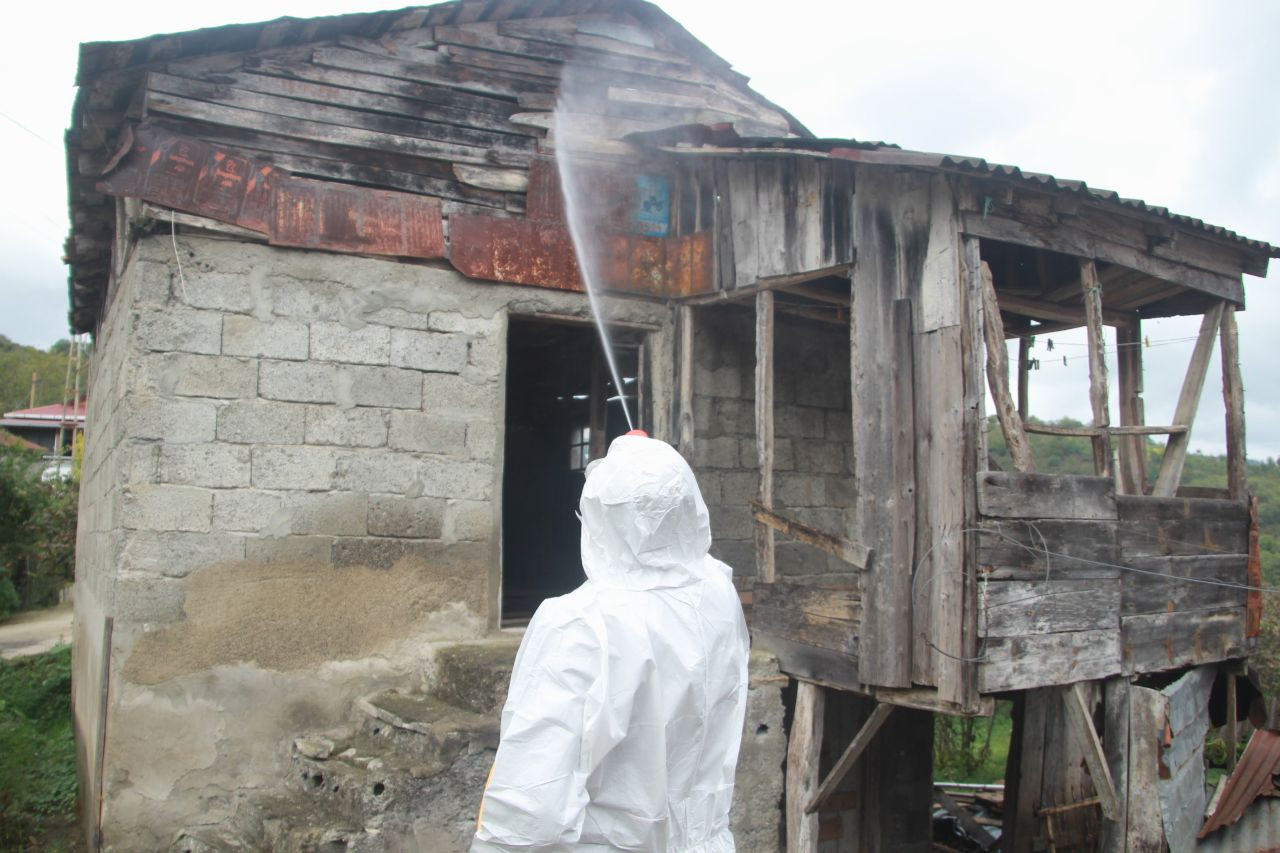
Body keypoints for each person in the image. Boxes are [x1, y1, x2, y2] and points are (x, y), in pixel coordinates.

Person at [472, 434, 750, 852]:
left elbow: (531, 810)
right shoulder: (719, 598)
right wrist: (651, 464)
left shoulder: (580, 624)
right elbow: (673, 530)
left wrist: (631, 466)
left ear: (596, 516)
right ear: (691, 506)